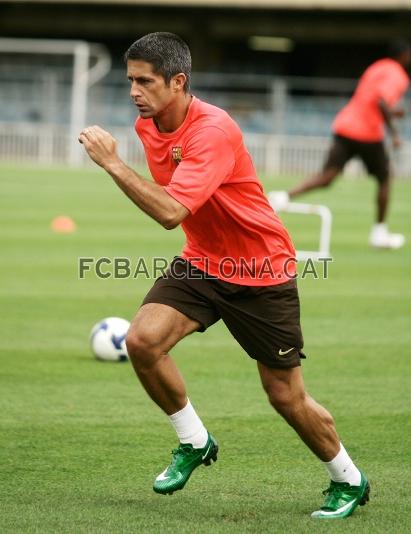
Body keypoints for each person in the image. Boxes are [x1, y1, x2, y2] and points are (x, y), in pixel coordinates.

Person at [79, 32, 369, 519]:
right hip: (202, 259)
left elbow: (172, 211)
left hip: (260, 270)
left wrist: (112, 164)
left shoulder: (212, 130)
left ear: (178, 82)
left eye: (145, 81)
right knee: (143, 341)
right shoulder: (148, 125)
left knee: (285, 396)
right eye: (130, 80)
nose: (134, 91)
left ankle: (349, 479)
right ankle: (194, 441)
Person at [271, 40, 411, 249]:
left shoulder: (377, 66)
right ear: (405, 54)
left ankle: (282, 197)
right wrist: (394, 132)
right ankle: (379, 233)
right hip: (367, 132)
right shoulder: (398, 75)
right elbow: (382, 101)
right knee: (385, 178)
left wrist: (391, 113)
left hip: (346, 124)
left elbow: (372, 96)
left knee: (328, 176)